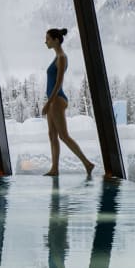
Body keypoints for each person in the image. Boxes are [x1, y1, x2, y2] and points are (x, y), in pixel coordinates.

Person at [42, 28, 95, 176]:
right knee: (52, 135)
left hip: (57, 100)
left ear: (56, 40)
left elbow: (58, 83)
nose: (45, 41)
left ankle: (87, 164)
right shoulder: (57, 57)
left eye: (48, 39)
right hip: (54, 100)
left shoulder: (61, 57)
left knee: (63, 136)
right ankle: (54, 169)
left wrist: (49, 102)